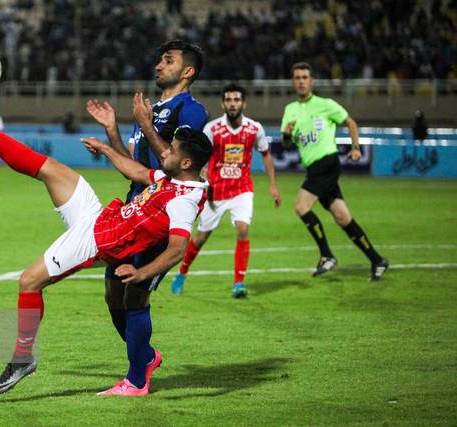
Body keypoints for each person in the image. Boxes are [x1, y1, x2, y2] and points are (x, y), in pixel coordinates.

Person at [0, 87, 212, 396]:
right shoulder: (174, 178)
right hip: (100, 218)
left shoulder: (185, 199)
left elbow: (177, 249)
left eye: (171, 150)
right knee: (50, 169)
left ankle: (22, 358)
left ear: (186, 163)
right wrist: (106, 148)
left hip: (97, 241)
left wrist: (141, 274)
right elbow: (139, 171)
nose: (165, 152)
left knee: (28, 282)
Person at [85, 40, 208, 393]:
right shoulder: (152, 109)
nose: (158, 65)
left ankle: (136, 379)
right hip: (134, 207)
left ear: (188, 72)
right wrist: (113, 130)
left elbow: (177, 163)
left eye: (168, 60)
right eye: (159, 58)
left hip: (161, 212)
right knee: (113, 295)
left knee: (136, 293)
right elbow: (135, 170)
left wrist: (147, 124)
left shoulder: (190, 110)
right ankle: (145, 358)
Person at [280, 62, 389, 281]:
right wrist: (287, 135)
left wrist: (356, 148)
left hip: (327, 163)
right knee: (343, 217)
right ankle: (377, 260)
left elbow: (350, 122)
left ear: (312, 81)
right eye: (297, 77)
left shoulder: (325, 104)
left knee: (301, 206)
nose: (301, 81)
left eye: (304, 77)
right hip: (314, 168)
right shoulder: (290, 110)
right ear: (293, 82)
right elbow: (286, 144)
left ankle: (327, 256)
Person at [171, 83, 281, 298]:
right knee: (201, 237)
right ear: (223, 103)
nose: (232, 104)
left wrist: (273, 185)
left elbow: (266, 154)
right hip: (216, 192)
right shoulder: (212, 129)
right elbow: (201, 155)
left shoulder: (254, 128)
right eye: (229, 100)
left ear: (244, 103)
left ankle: (238, 283)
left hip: (242, 189)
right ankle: (182, 273)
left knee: (242, 229)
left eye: (236, 100)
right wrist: (203, 172)